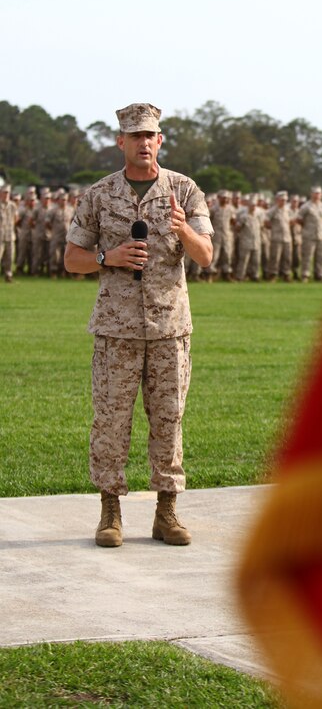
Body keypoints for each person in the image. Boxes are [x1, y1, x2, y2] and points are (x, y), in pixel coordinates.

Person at [64, 103, 214, 548]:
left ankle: (166, 512)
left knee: (169, 421)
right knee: (110, 421)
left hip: (169, 328)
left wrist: (183, 230)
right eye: (135, 136)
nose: (143, 143)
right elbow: (72, 259)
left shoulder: (184, 191)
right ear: (121, 142)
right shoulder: (99, 195)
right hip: (117, 331)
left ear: (160, 141)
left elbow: (206, 254)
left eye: (150, 135)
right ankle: (110, 512)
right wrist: (109, 257)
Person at [298, 186, 322, 282]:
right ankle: (305, 275)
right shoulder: (306, 206)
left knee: (321, 256)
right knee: (307, 256)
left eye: (319, 193)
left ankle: (319, 274)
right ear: (311, 194)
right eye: (315, 193)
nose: (317, 195)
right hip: (309, 235)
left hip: (321, 235)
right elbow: (299, 219)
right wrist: (307, 227)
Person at [0, 184, 18, 282]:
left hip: (10, 235)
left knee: (10, 257)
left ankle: (8, 275)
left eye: (8, 193)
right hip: (0, 236)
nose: (6, 195)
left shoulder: (12, 205)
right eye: (5, 193)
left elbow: (16, 218)